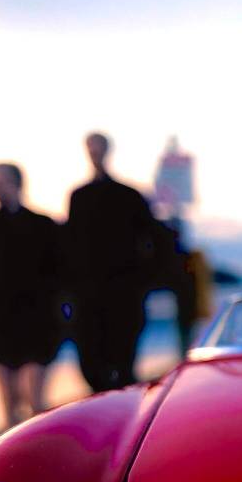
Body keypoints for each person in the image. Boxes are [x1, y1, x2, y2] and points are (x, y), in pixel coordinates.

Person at [0, 163, 62, 427]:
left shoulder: (42, 224)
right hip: (2, 324)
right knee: (8, 410)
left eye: (2, 181)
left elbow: (57, 270)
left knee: (35, 404)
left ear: (18, 183)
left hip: (36, 323)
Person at [66, 132, 155, 392]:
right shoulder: (79, 197)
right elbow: (71, 244)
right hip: (89, 295)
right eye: (91, 149)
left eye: (98, 148)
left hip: (123, 293)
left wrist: (141, 280)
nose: (94, 154)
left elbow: (151, 240)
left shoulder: (129, 196)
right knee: (92, 363)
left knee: (123, 362)